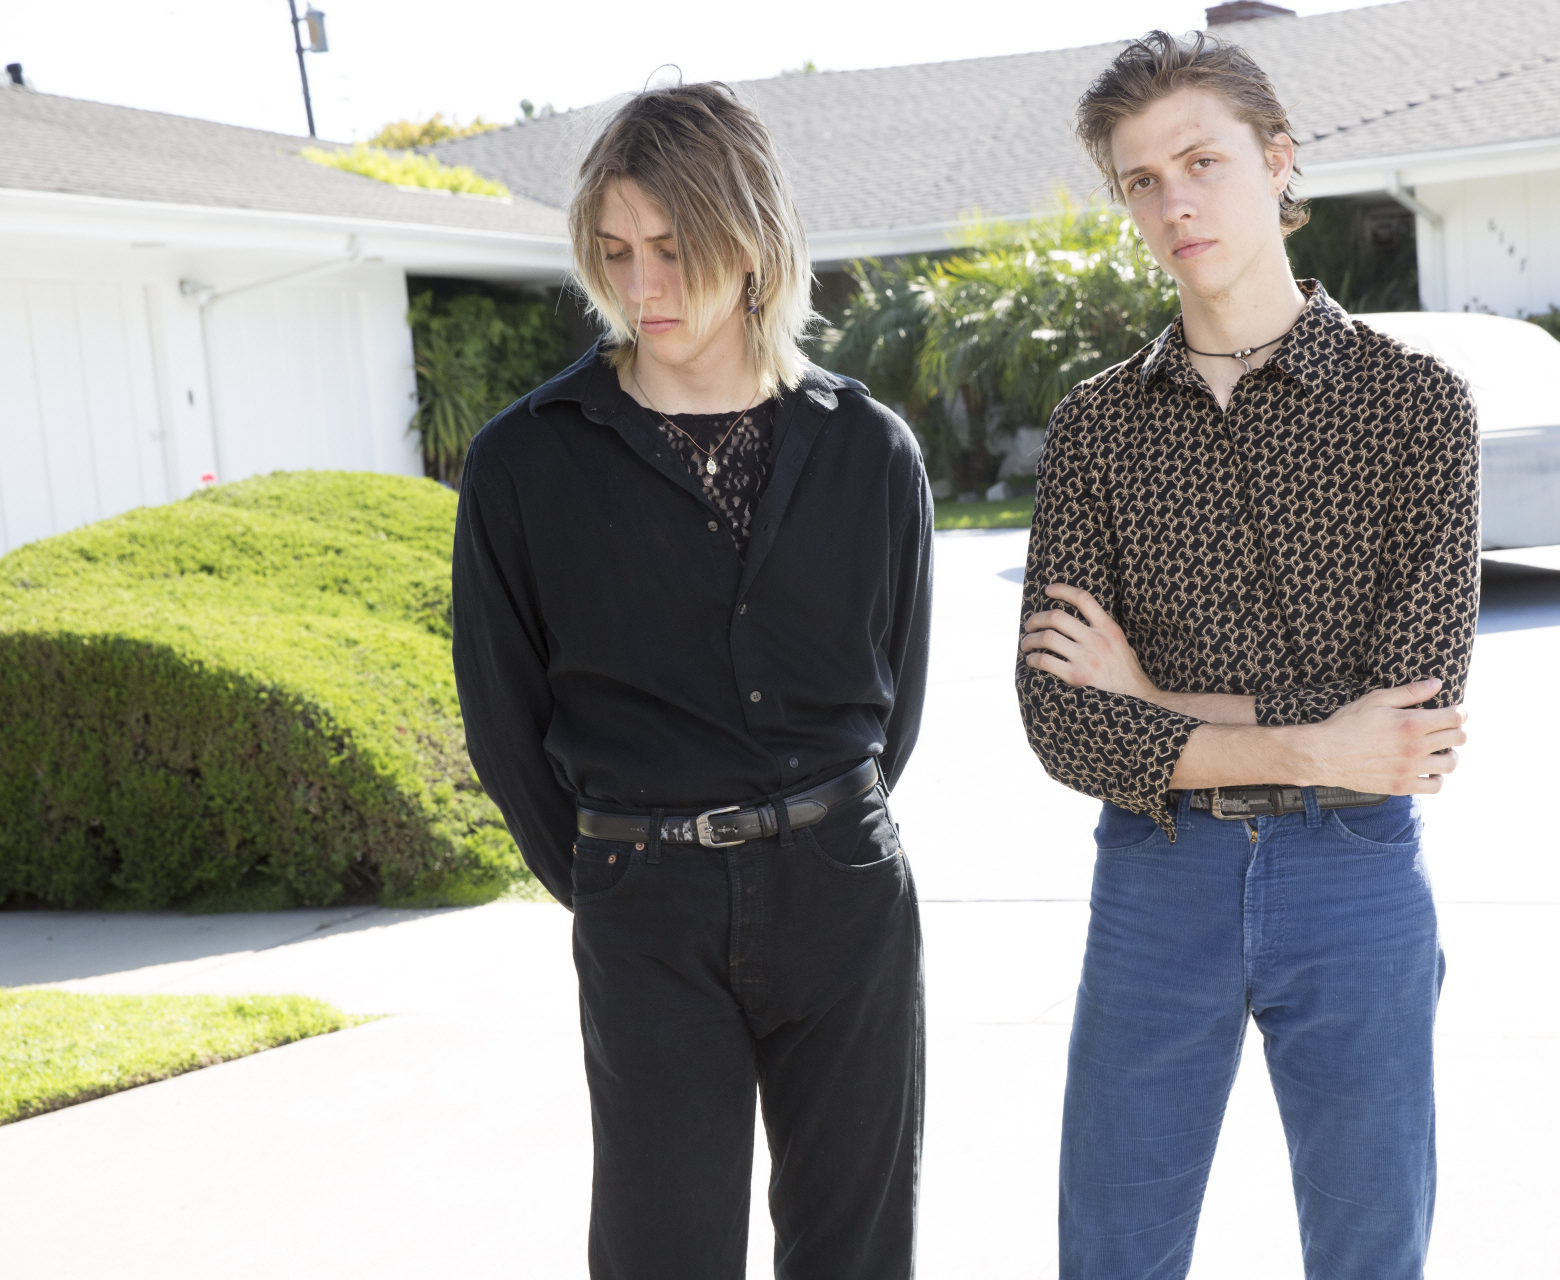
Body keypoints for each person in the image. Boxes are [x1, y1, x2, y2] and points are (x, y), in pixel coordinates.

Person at [1016, 30, 1480, 1280]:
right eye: (1142, 180)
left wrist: (1153, 697)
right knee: (1111, 1254)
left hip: (1354, 877)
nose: (1174, 202)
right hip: (1157, 878)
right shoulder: (1096, 427)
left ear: (1279, 161)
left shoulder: (1416, 407)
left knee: (1372, 1254)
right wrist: (1315, 740)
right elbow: (1063, 720)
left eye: (1202, 162)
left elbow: (1412, 719)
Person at [452, 81, 933, 1280]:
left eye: (672, 247)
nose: (643, 284)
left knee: (857, 1246)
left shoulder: (871, 449)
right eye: (615, 251)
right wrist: (619, 872)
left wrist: (821, 828)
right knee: (661, 1249)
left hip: (843, 892)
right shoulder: (522, 464)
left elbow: (897, 694)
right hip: (644, 902)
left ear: (751, 240)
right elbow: (504, 723)